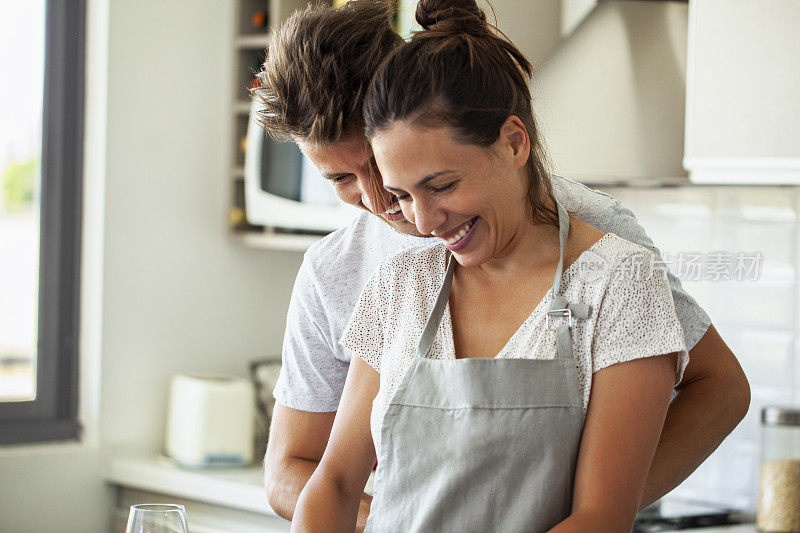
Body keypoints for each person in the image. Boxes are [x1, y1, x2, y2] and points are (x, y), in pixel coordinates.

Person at [251, 0, 750, 530]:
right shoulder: (372, 278)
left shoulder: (602, 254)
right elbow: (301, 472)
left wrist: (578, 499)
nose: (383, 203)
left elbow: (715, 389)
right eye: (341, 180)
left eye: (381, 167)